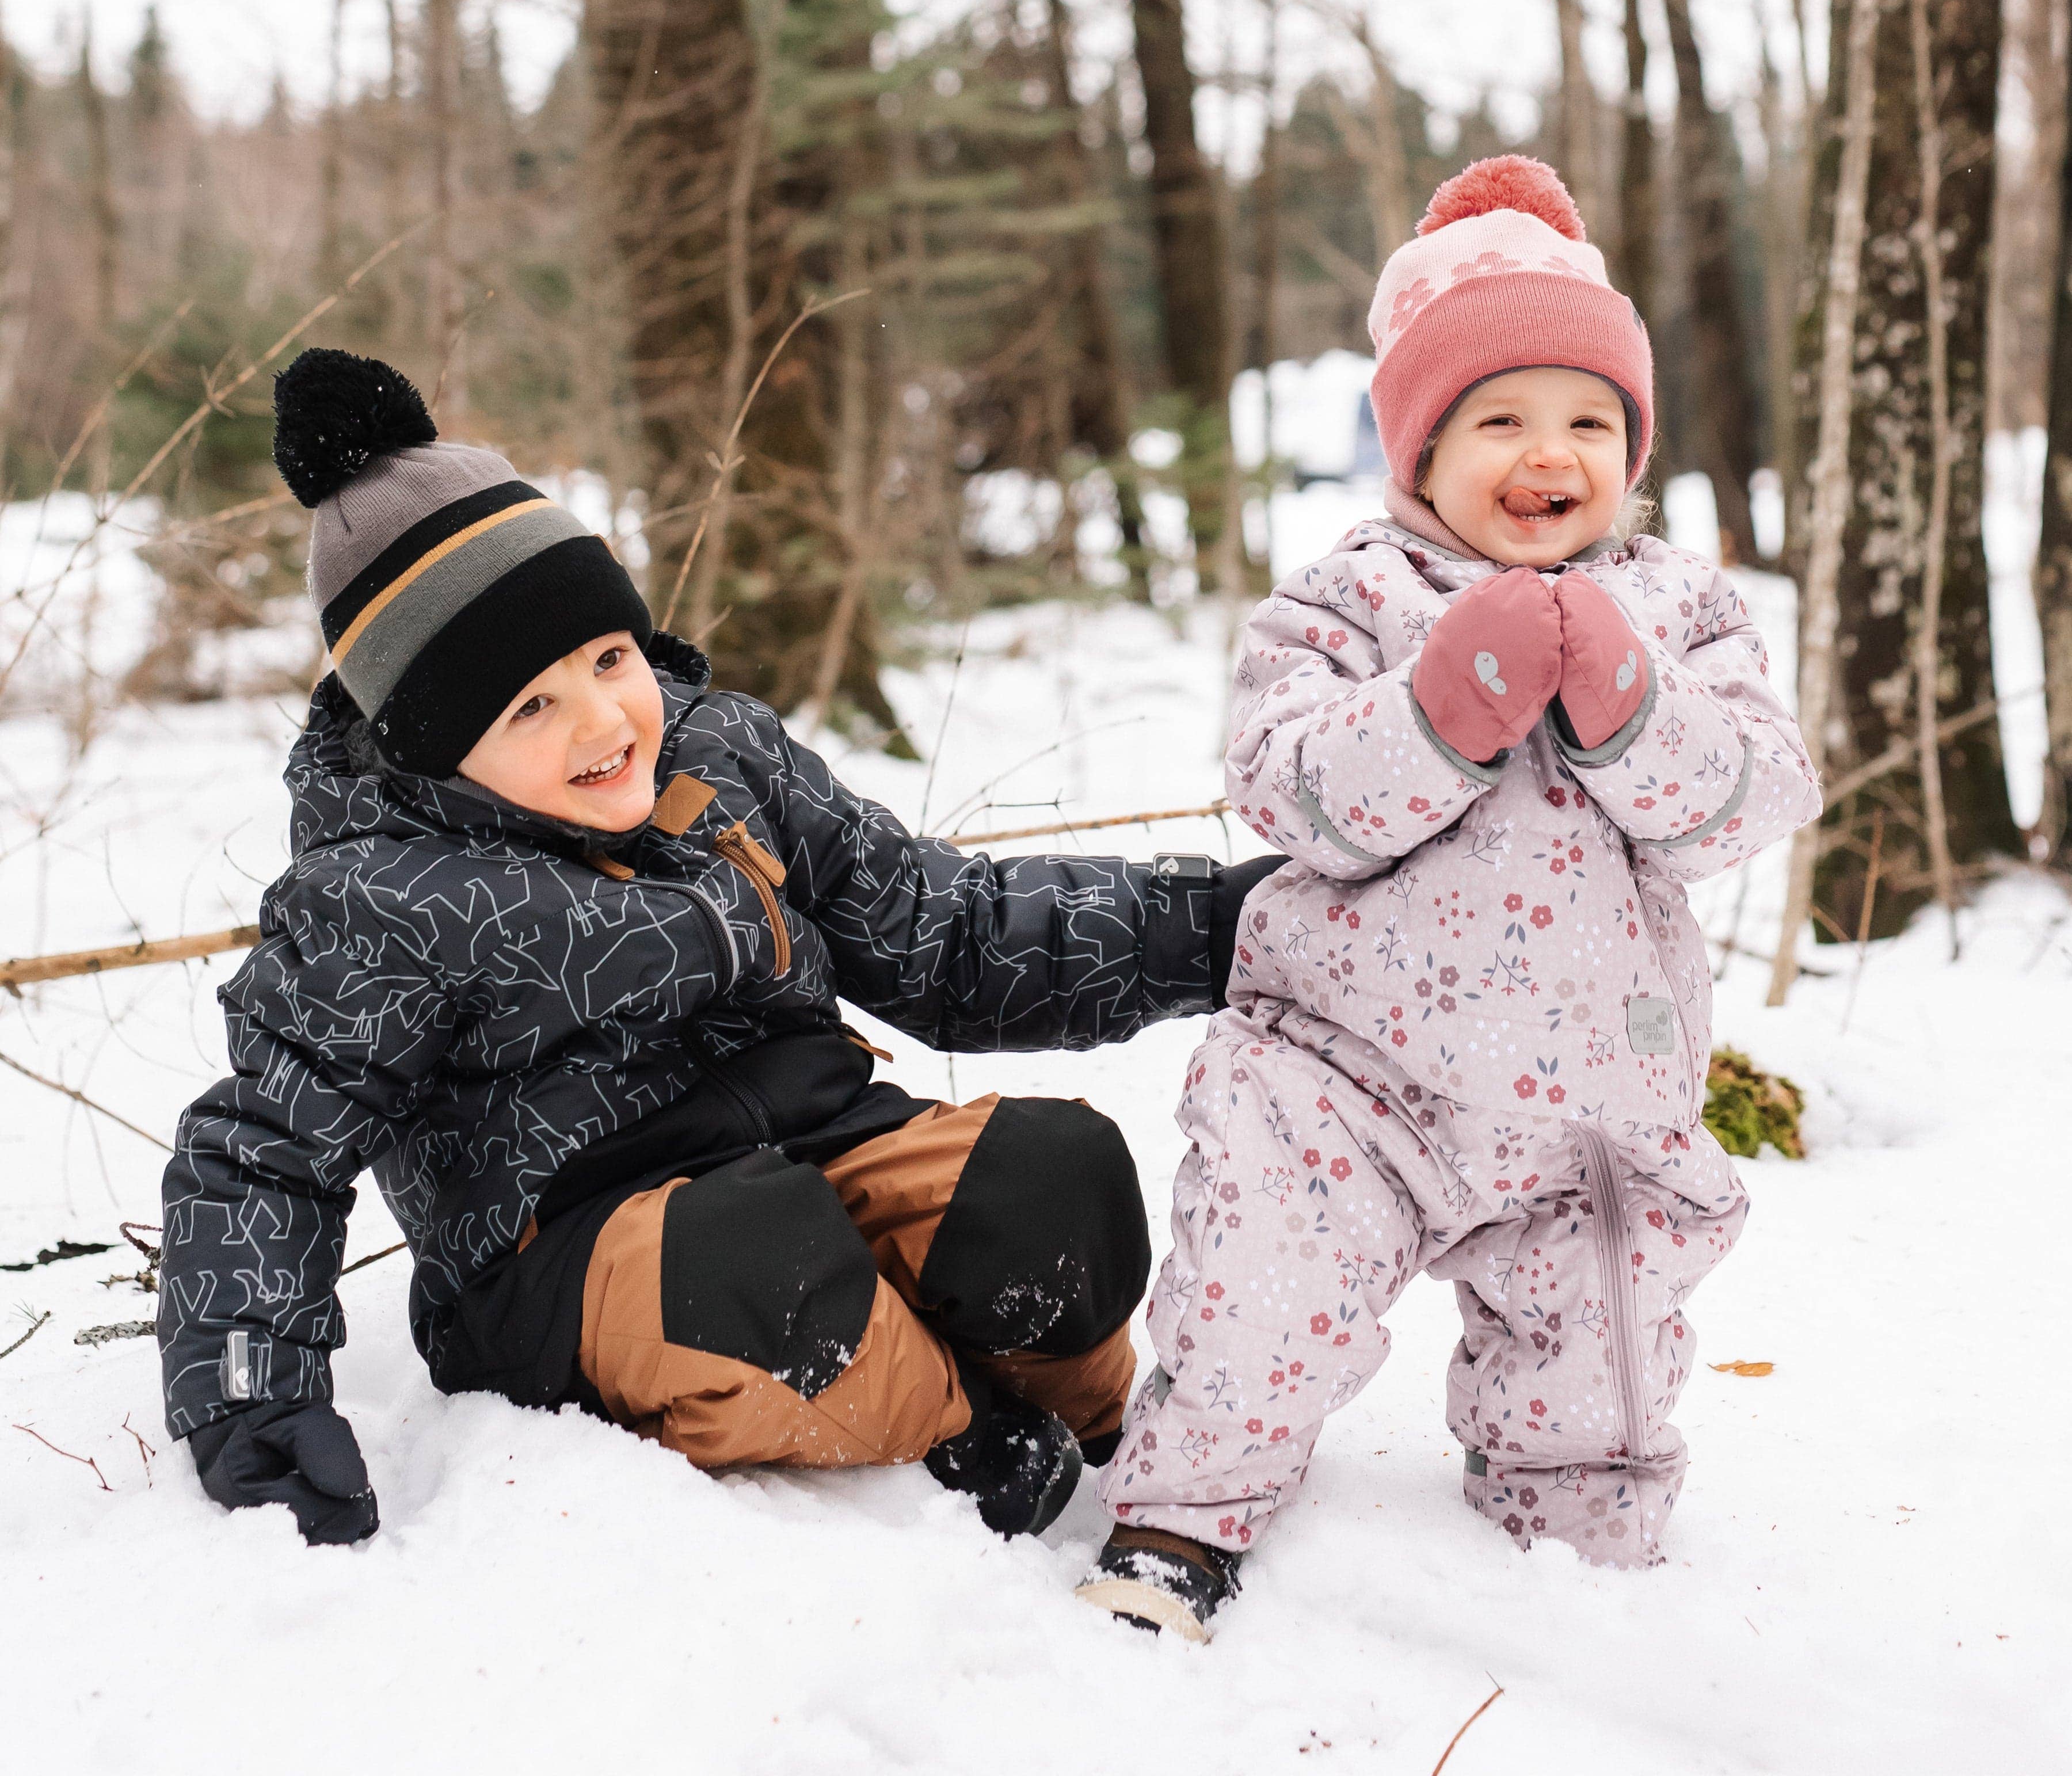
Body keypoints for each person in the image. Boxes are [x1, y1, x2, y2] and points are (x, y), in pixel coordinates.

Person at [158, 349, 1279, 1546]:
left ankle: (1091, 1416)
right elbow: (262, 1156)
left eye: (607, 659)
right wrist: (251, 1406)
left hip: (820, 1143)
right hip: (578, 1252)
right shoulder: (374, 899)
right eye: (529, 706)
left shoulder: (722, 757)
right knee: (759, 1260)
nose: (604, 722)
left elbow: (943, 930)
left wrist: (1215, 926)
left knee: (1054, 1172)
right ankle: (954, 1435)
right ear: (432, 742)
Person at [1076, 156, 1822, 1641]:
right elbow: (1285, 788)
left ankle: (1585, 1562)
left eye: (1589, 422)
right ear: (1419, 444)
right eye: (1500, 419)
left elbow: (1758, 797)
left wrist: (1635, 714)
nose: (1549, 453)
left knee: (1601, 1354)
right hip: (1350, 1082)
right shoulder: (1351, 600)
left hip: (1591, 1114)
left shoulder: (1679, 609)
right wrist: (1430, 708)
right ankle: (1186, 1520)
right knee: (1260, 1300)